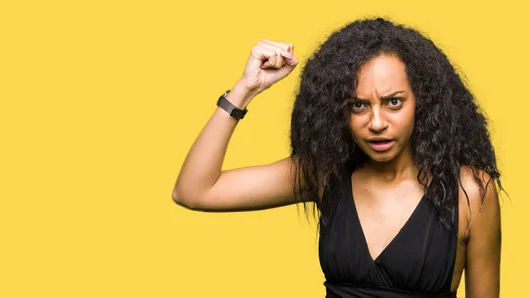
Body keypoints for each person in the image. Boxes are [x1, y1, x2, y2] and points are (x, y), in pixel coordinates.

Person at [172, 17, 502, 298]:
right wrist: (245, 89)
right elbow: (194, 191)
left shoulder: (470, 192)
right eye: (358, 105)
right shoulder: (325, 174)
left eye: (394, 102)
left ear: (422, 101)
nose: (376, 123)